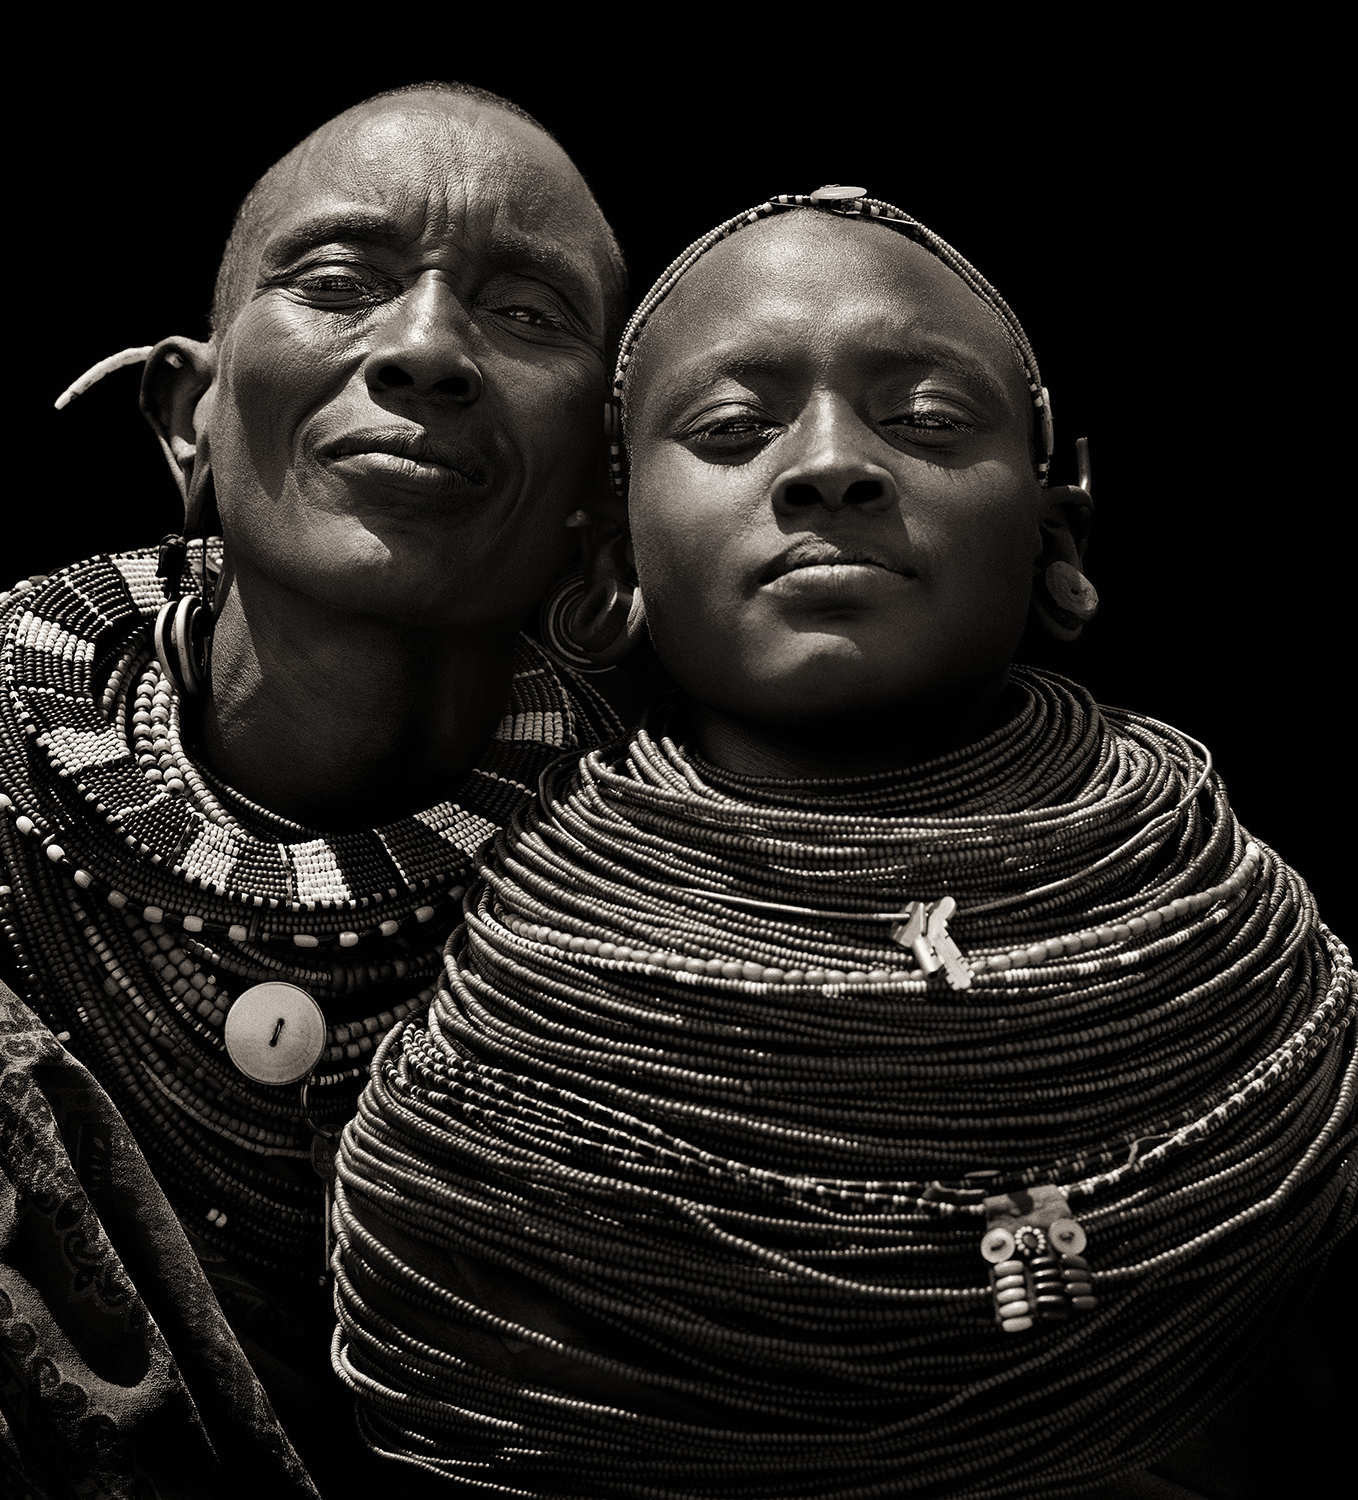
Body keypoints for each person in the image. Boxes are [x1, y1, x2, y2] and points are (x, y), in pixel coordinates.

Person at [332, 190, 1355, 1497]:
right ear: (610, 542)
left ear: (1063, 517)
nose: (830, 465)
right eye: (731, 428)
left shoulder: (1256, 975)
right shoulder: (498, 1029)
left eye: (927, 418)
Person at [0, 82, 632, 1499]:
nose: (425, 350)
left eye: (527, 314)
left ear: (603, 492)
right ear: (185, 419)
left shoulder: (668, 949)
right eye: (339, 284)